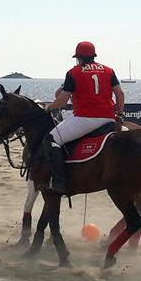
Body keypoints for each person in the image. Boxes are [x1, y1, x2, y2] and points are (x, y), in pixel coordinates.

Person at [42, 41, 124, 194]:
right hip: (109, 118)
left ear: (78, 58)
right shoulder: (109, 70)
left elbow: (61, 100)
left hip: (86, 119)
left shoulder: (74, 73)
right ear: (93, 56)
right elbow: (120, 94)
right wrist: (119, 114)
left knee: (51, 139)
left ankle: (59, 182)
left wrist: (48, 108)